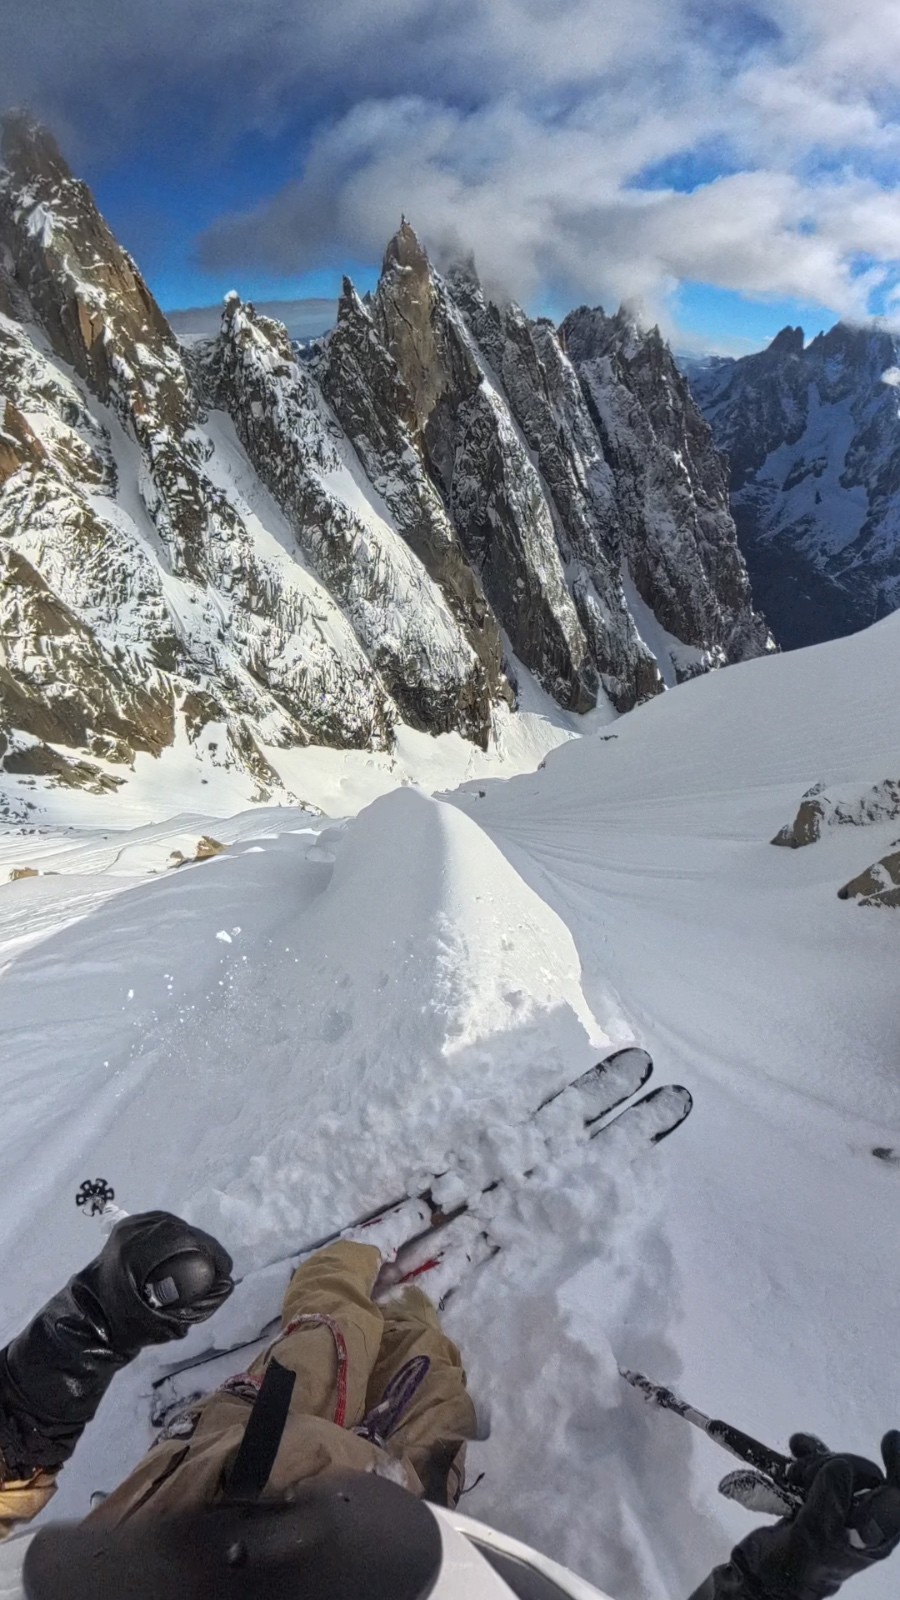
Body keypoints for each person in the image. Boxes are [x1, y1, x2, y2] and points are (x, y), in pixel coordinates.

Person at [0, 1213, 897, 1599]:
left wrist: (79, 1338)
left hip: (217, 1491)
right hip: (411, 1520)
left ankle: (358, 1262)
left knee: (325, 1340)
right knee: (432, 1384)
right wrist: (784, 1577)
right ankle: (418, 1307)